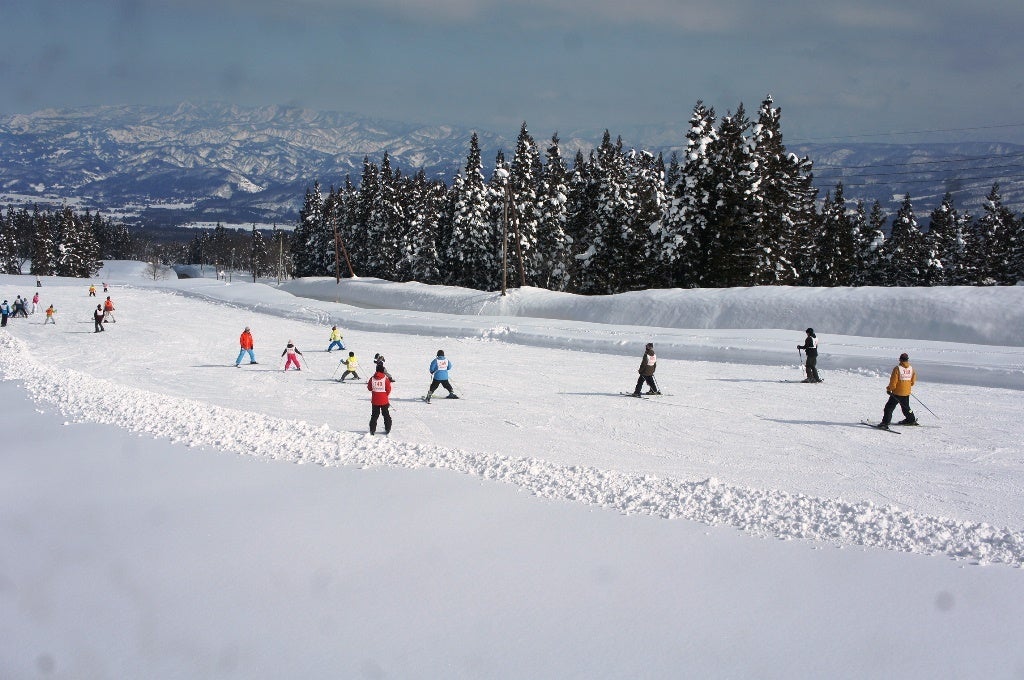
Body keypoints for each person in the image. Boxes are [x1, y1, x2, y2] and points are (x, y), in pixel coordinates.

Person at [877, 353, 918, 430]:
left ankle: (885, 423)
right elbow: (912, 382)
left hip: (897, 393)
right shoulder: (911, 368)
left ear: (900, 359)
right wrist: (906, 387)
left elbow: (893, 382)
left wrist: (889, 389)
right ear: (907, 360)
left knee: (888, 408)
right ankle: (911, 420)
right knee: (906, 407)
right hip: (906, 392)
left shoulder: (897, 369)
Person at [367, 362, 393, 435]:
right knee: (386, 414)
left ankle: (372, 430)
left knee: (374, 415)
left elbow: (369, 388)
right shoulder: (385, 378)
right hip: (384, 400)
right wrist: (385, 395)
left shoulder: (372, 378)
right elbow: (388, 389)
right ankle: (388, 428)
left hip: (375, 400)